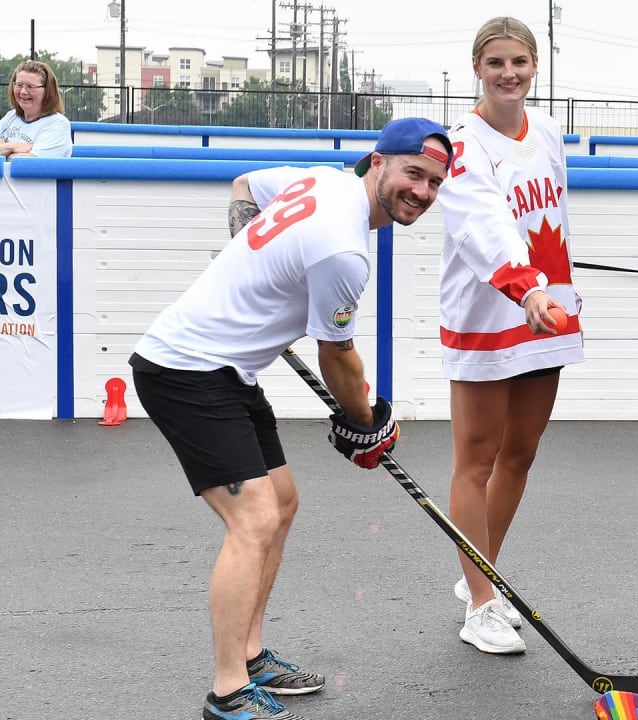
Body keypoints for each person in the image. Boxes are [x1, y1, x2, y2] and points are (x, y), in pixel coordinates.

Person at [130, 117, 452, 720]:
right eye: (414, 173)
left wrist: (250, 251)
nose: (423, 192)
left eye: (435, 182)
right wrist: (369, 423)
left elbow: (247, 185)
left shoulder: (324, 183)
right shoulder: (345, 249)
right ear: (377, 162)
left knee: (281, 500)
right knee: (252, 519)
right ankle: (228, 694)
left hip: (229, 371)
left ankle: (250, 656)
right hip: (185, 369)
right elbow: (338, 357)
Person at [435, 16, 584, 656]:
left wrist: (553, 289)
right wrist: (525, 287)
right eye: (495, 62)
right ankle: (482, 602)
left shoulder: (547, 130)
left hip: (546, 309)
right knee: (476, 459)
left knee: (520, 453)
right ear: (477, 68)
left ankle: (479, 581)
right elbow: (485, 225)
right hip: (489, 311)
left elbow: (551, 218)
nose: (508, 74)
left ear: (534, 67)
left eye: (519, 62)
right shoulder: (460, 143)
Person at [1, 60, 73, 159]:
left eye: (30, 87)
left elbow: (30, 163)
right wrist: (13, 146)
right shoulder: (11, 116)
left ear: (47, 91)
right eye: (19, 85)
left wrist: (3, 150)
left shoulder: (57, 123)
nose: (23, 91)